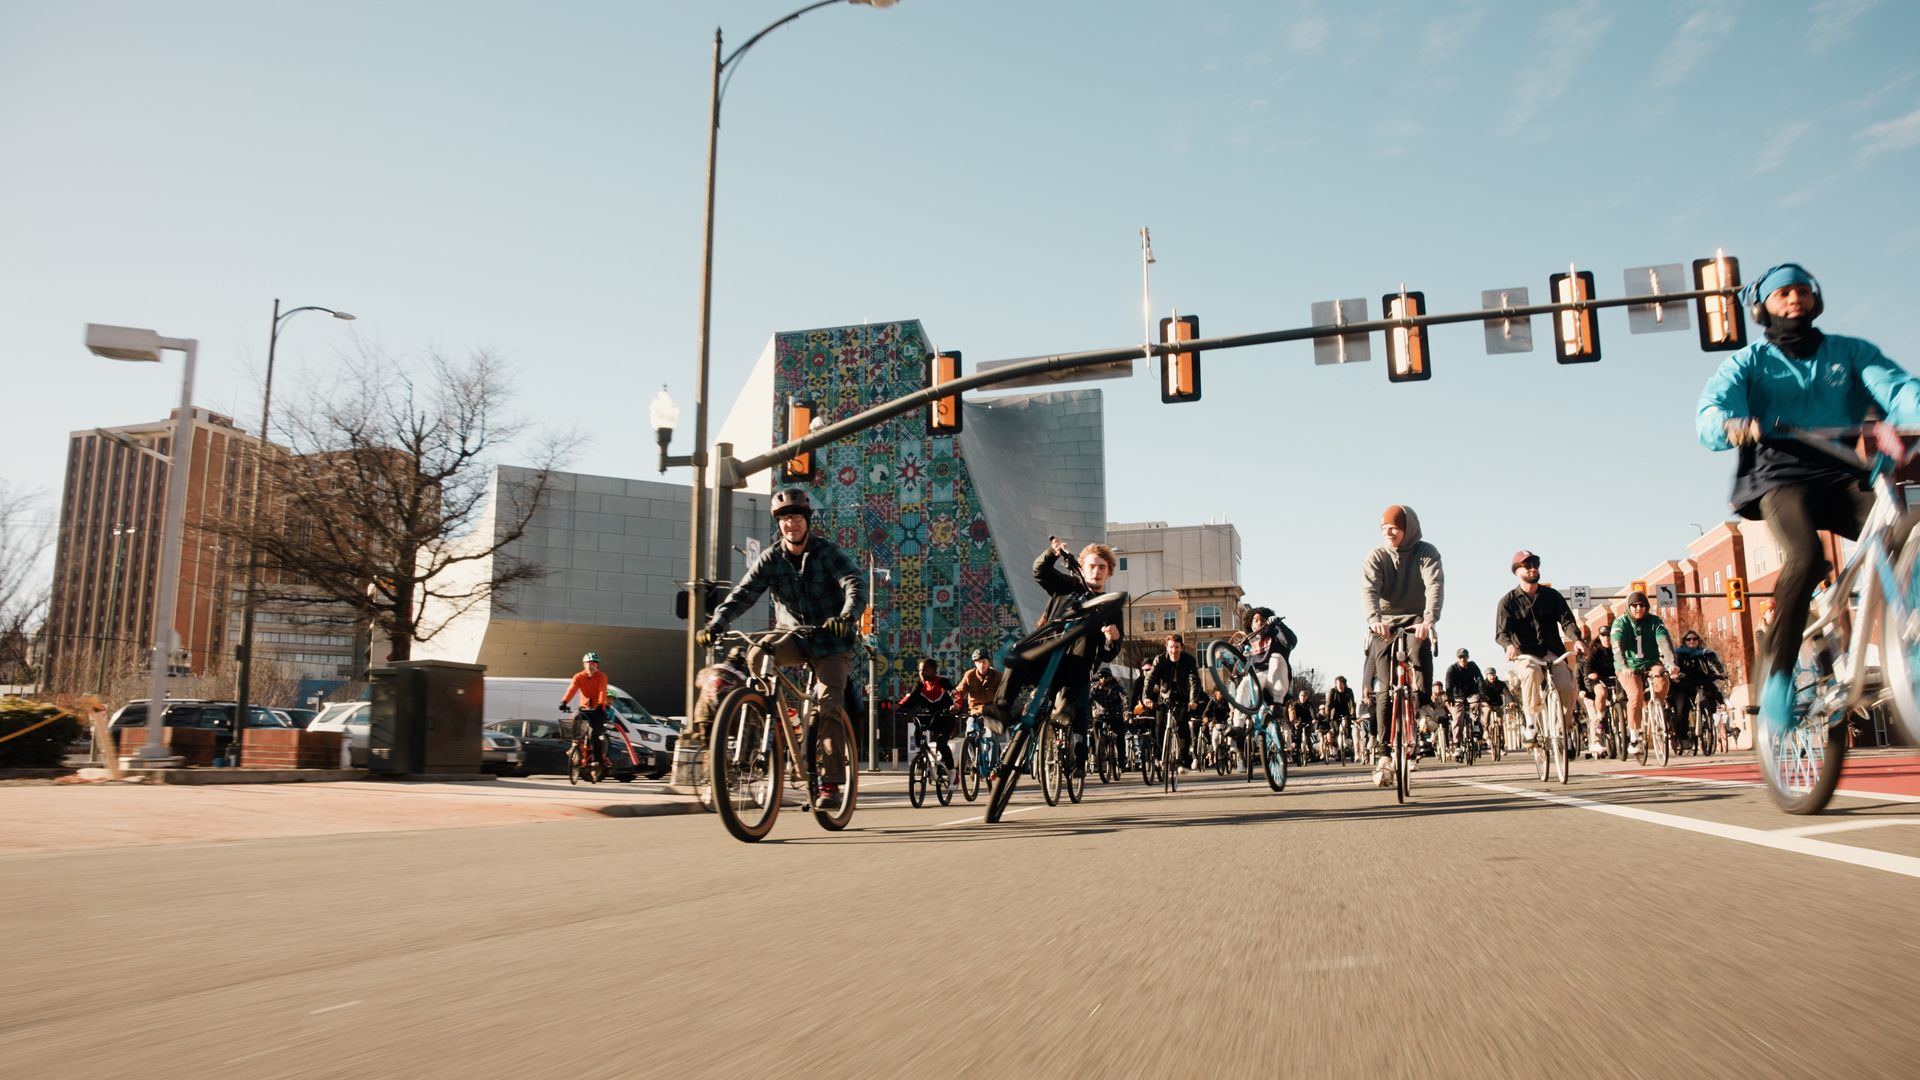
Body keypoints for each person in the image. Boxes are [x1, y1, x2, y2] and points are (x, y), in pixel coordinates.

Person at [1696, 262, 1920, 734]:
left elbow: (1898, 389)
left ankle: (1909, 639)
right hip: (1781, 476)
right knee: (1806, 556)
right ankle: (1777, 678)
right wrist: (1731, 423)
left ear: (1815, 298)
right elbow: (1713, 408)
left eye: (1801, 291)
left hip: (1846, 473)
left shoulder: (1849, 352)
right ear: (1762, 307)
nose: (1794, 299)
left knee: (1907, 529)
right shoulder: (1748, 362)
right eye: (1783, 294)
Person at [701, 487, 866, 803]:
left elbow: (855, 583)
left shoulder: (826, 552)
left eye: (796, 517)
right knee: (757, 652)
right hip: (793, 636)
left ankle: (830, 783)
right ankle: (771, 712)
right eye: (785, 519)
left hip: (831, 640)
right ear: (778, 524)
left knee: (829, 703)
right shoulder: (771, 558)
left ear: (807, 520)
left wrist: (847, 616)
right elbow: (743, 594)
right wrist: (717, 624)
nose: (791, 524)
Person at [994, 539, 1124, 777]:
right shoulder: (1067, 586)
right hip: (1046, 657)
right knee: (1017, 653)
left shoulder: (1110, 607)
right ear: (1081, 568)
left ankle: (1077, 755)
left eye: (1102, 567)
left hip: (1075, 670)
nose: (1096, 571)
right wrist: (1051, 554)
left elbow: (1108, 653)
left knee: (1079, 708)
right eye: (1092, 566)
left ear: (1109, 573)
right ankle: (1001, 711)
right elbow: (1040, 572)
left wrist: (1111, 637)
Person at [1363, 504, 1445, 775]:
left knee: (1421, 646)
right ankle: (1384, 754)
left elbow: (1434, 585)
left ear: (1408, 528)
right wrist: (1374, 618)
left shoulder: (1426, 552)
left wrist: (1429, 619)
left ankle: (1423, 706)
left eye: (1395, 528)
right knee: (1384, 688)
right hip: (1383, 623)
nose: (1389, 532)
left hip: (1416, 620)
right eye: (1384, 528)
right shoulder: (1376, 556)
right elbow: (1369, 589)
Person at [1493, 550, 1584, 757]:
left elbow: (1567, 621)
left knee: (1566, 684)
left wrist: (1577, 640)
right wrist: (1508, 646)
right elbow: (1501, 632)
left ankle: (1565, 730)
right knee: (1531, 673)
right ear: (1517, 571)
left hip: (1553, 653)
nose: (1533, 568)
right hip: (1526, 655)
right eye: (1527, 565)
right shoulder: (1507, 601)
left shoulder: (1552, 596)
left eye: (1535, 564)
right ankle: (1532, 725)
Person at [1610, 592, 1674, 757]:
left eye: (1642, 605)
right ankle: (1634, 737)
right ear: (1629, 607)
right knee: (1636, 694)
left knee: (1662, 676)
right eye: (1635, 605)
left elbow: (1664, 642)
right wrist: (1624, 666)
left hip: (1650, 663)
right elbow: (1617, 647)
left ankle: (1655, 707)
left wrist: (1671, 664)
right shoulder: (1620, 623)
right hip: (1628, 666)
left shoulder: (1654, 621)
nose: (1639, 608)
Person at [1146, 633, 1204, 770]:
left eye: (1176, 647)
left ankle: (1183, 760)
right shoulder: (1159, 660)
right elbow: (1150, 679)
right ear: (1167, 648)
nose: (1174, 650)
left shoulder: (1188, 660)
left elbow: (1194, 681)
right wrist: (1147, 697)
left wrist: (1193, 700)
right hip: (1165, 697)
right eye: (1171, 647)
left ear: (1181, 647)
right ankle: (1160, 755)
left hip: (1182, 697)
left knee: (1182, 726)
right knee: (1159, 726)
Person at [897, 658, 956, 780]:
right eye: (919, 670)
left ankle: (952, 772)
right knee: (918, 735)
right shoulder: (920, 685)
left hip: (945, 719)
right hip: (930, 718)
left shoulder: (943, 682)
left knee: (941, 743)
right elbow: (910, 697)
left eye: (925, 670)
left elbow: (956, 695)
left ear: (934, 671)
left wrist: (957, 706)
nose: (921, 673)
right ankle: (923, 758)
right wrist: (899, 706)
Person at [1671, 631, 1728, 752]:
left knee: (1712, 692)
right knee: (1681, 708)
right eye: (1689, 639)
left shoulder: (1706, 654)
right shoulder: (1678, 654)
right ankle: (1683, 736)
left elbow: (1714, 665)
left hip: (1703, 682)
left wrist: (1720, 673)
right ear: (1684, 642)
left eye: (1695, 639)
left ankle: (1708, 719)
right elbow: (1674, 666)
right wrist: (1675, 675)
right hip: (1684, 683)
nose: (1692, 641)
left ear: (1698, 640)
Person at [560, 651, 612, 767]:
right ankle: (575, 746)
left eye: (594, 664)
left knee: (594, 734)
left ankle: (596, 760)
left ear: (597, 665)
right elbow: (572, 689)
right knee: (576, 717)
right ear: (584, 665)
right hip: (585, 708)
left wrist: (600, 704)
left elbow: (602, 690)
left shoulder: (601, 676)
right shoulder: (579, 677)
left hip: (598, 710)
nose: (591, 666)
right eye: (588, 663)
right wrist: (564, 702)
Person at [1577, 623, 1618, 756]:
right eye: (1603, 635)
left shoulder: (1617, 649)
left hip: (1613, 680)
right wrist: (1590, 674)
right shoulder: (1595, 652)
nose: (1606, 638)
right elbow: (1584, 670)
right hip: (1593, 688)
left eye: (1608, 635)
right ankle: (1595, 741)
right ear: (1599, 637)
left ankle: (1620, 727)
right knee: (1595, 716)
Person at [1443, 648, 1483, 760]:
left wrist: (1482, 693)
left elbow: (1480, 679)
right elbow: (1448, 684)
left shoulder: (1473, 666)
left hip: (1471, 693)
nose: (1463, 659)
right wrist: (1449, 696)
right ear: (1457, 658)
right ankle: (1458, 746)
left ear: (1468, 658)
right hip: (1457, 696)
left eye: (1464, 657)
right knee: (1457, 719)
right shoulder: (1452, 669)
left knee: (1476, 702)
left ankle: (1475, 726)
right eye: (1460, 657)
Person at [1325, 675, 1355, 762]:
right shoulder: (1332, 691)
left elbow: (1352, 703)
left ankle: (1348, 739)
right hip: (1335, 713)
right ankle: (1338, 751)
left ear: (1344, 684)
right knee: (1336, 731)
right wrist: (1327, 715)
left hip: (1346, 711)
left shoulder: (1349, 691)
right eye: (1337, 683)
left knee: (1347, 724)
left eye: (1341, 684)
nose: (1339, 685)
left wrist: (1353, 714)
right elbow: (1328, 704)